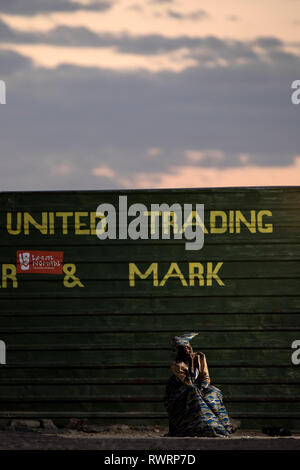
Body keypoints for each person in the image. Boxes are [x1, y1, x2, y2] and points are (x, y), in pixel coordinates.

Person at [164, 333, 232, 437]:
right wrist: (190, 364)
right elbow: (187, 382)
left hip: (198, 386)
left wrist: (203, 386)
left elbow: (205, 376)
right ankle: (203, 427)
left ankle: (223, 426)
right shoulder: (177, 365)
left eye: (188, 347)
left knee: (214, 392)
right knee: (194, 394)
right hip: (179, 390)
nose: (187, 350)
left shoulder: (199, 357)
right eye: (183, 349)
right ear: (179, 351)